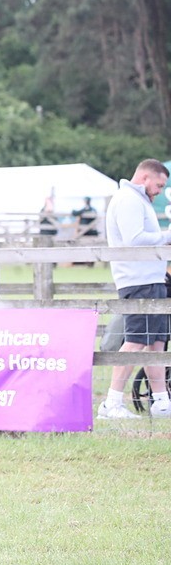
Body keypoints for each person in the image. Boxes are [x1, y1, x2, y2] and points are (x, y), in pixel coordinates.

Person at [97, 159, 171, 419]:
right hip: (137, 281)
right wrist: (168, 236)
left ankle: (161, 402)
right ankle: (112, 402)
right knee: (136, 341)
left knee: (157, 343)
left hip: (152, 279)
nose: (160, 190)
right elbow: (134, 239)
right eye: (159, 185)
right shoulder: (128, 199)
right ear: (145, 178)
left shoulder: (140, 201)